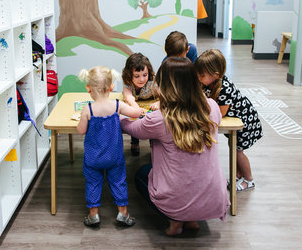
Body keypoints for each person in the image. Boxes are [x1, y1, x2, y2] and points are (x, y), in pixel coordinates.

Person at [120, 57, 229, 236]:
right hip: (213, 200)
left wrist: (117, 110)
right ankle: (192, 220)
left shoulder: (160, 118)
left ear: (163, 86)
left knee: (140, 174)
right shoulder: (212, 107)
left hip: (175, 203)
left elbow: (130, 128)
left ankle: (176, 222)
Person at [76, 66, 143, 227]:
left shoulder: (88, 109)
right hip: (114, 156)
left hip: (93, 158)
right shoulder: (117, 106)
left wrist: (82, 118)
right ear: (111, 87)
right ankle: (123, 213)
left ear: (88, 89)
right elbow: (137, 113)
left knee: (93, 183)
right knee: (118, 182)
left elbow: (81, 131)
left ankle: (93, 215)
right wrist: (132, 101)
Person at [195, 48, 262, 191]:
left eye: (202, 75)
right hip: (237, 122)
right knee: (234, 148)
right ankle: (237, 175)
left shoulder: (225, 88)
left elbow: (219, 113)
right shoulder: (210, 83)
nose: (199, 78)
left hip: (246, 123)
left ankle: (249, 180)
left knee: (238, 152)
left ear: (216, 74)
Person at [121, 53, 159, 156]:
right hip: (135, 103)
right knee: (134, 117)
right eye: (136, 76)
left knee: (154, 120)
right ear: (129, 75)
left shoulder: (153, 81)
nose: (141, 79)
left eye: (145, 75)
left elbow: (165, 95)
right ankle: (135, 142)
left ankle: (154, 143)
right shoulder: (127, 80)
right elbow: (128, 96)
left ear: (149, 73)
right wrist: (135, 107)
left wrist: (159, 103)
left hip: (150, 104)